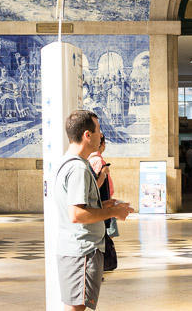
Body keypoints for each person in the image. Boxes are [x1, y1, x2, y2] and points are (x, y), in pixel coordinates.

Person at [55, 110, 133, 311]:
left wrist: (104, 206)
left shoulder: (71, 162)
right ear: (87, 135)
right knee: (76, 307)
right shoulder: (78, 169)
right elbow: (77, 214)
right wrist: (114, 212)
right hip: (82, 251)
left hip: (77, 249)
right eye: (98, 130)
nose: (101, 135)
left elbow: (77, 206)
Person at [88, 133, 117, 271]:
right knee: (102, 236)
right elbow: (95, 186)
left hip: (102, 204)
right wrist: (104, 174)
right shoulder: (98, 161)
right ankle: (103, 264)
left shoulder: (90, 160)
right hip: (101, 204)